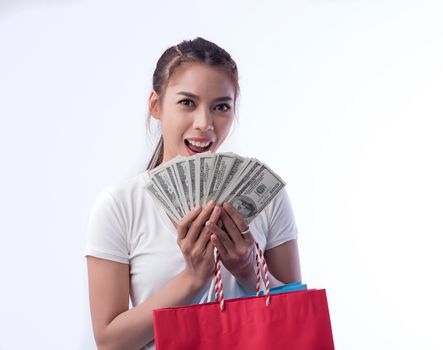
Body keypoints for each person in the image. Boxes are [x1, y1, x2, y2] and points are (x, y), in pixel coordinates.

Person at [84, 37, 301, 350]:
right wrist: (192, 280)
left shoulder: (268, 198)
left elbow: (296, 317)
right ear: (156, 106)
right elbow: (109, 341)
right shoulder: (119, 206)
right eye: (187, 103)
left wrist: (248, 269)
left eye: (221, 107)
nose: (205, 124)